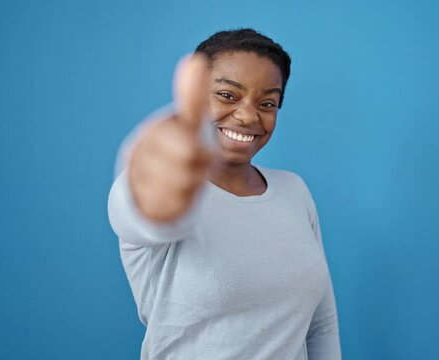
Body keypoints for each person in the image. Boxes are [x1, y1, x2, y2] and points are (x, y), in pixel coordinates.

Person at [108, 28, 341, 359]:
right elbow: (144, 215)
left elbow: (321, 327)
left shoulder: (294, 190)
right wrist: (153, 192)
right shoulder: (163, 189)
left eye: (267, 102)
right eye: (227, 95)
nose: (248, 116)